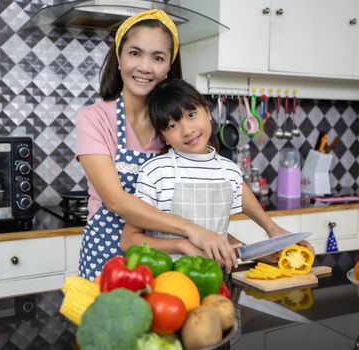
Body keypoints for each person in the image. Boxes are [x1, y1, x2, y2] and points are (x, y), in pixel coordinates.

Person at [76, 9, 245, 280]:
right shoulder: (95, 119)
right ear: (119, 59)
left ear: (168, 67)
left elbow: (220, 177)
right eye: (135, 53)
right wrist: (192, 231)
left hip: (165, 263)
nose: (145, 66)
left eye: (157, 57)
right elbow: (117, 201)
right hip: (106, 263)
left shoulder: (172, 128)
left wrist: (258, 236)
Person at [120, 79, 313, 261]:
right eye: (172, 125)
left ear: (208, 111)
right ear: (164, 137)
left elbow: (218, 238)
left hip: (215, 281)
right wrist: (182, 244)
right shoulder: (156, 172)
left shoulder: (229, 171)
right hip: (167, 283)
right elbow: (129, 241)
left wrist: (264, 252)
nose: (187, 130)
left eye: (191, 115)